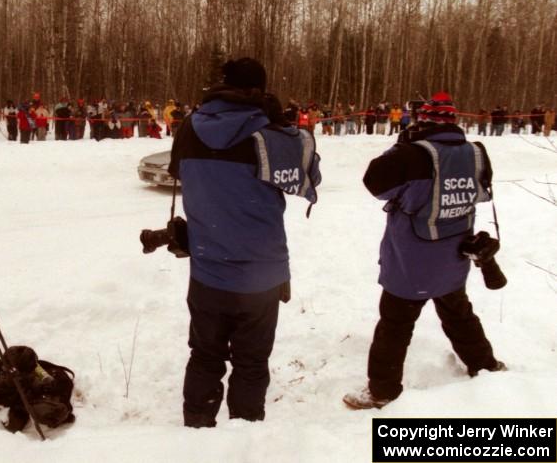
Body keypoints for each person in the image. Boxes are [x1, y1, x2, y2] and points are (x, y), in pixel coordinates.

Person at [168, 57, 320, 428]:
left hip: (207, 267)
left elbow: (177, 170)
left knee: (204, 355)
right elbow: (310, 175)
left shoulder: (190, 127)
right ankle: (245, 435)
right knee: (251, 361)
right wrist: (284, 126)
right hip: (261, 272)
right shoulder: (268, 133)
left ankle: (197, 432)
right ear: (261, 90)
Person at [343, 91, 505, 410]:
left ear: (422, 121)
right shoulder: (476, 153)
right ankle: (485, 367)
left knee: (394, 326)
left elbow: (374, 182)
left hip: (411, 261)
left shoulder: (411, 155)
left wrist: (403, 145)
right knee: (459, 315)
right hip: (455, 255)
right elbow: (483, 194)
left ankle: (382, 390)